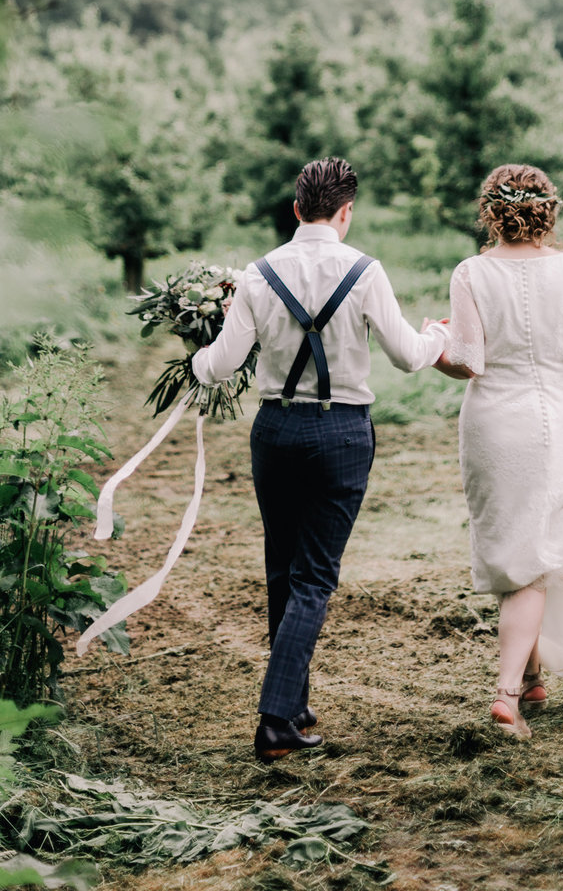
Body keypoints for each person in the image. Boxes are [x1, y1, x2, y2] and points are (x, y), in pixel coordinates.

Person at [192, 156, 448, 762]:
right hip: (341, 436)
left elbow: (220, 365)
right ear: (345, 212)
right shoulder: (364, 270)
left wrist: (194, 356)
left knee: (283, 570)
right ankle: (276, 720)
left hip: (274, 431)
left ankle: (295, 704)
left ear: (297, 209)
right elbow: (410, 356)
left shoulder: (258, 274)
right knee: (313, 578)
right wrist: (437, 333)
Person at [433, 162, 563, 741]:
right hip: (561, 423)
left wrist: (435, 346)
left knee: (520, 550)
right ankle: (508, 693)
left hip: (494, 425)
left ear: (491, 211)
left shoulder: (471, 273)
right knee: (536, 552)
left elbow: (468, 362)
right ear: (547, 210)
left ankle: (528, 681)